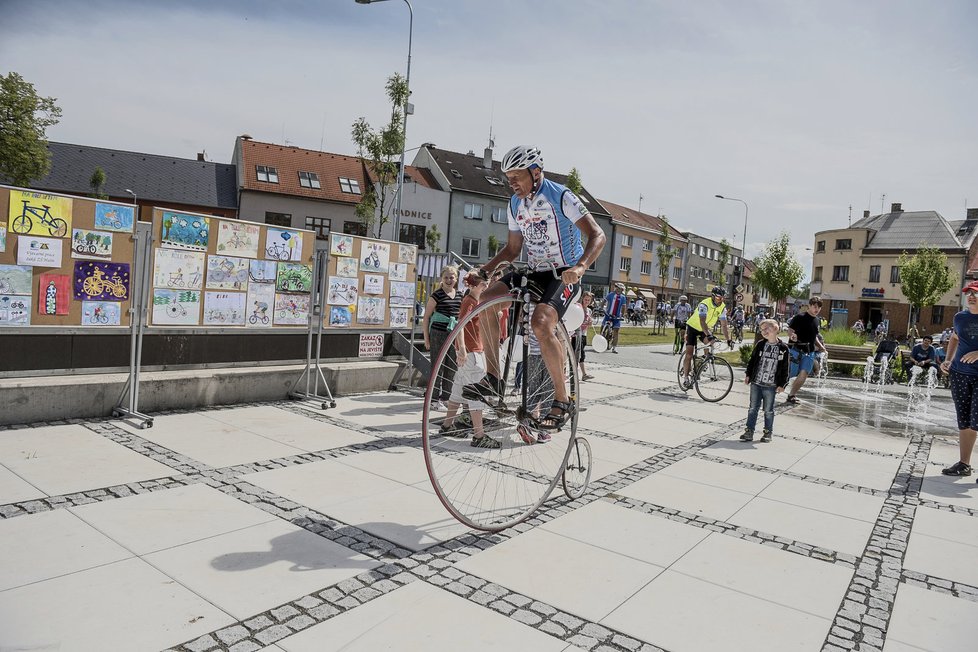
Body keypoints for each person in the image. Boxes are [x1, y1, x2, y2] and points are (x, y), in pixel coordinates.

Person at [463, 145, 606, 431]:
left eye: (517, 177)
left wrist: (580, 267)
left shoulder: (561, 196)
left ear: (535, 172)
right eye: (508, 178)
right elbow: (513, 249)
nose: (512, 183)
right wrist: (485, 270)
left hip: (562, 275)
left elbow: (597, 235)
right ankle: (493, 376)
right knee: (485, 302)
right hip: (534, 271)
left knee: (541, 323)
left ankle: (562, 399)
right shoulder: (515, 204)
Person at [440, 274, 500, 448]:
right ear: (474, 286)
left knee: (458, 388)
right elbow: (460, 325)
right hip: (471, 352)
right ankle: (479, 435)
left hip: (473, 350)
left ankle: (447, 425)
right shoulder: (469, 301)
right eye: (483, 285)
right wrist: (462, 348)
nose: (486, 288)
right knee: (476, 393)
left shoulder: (475, 300)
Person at [940, 281, 978, 478]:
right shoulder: (960, 318)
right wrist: (948, 360)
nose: (971, 296)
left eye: (975, 293)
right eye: (969, 293)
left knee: (977, 420)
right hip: (960, 374)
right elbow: (955, 338)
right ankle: (964, 464)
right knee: (964, 420)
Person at [740, 319, 790, 442]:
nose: (763, 331)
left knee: (768, 410)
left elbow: (785, 368)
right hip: (756, 383)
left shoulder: (783, 348)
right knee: (753, 408)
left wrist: (783, 384)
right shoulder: (761, 344)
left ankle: (768, 432)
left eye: (766, 328)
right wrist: (748, 374)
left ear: (775, 329)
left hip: (771, 386)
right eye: (761, 329)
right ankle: (749, 431)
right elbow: (752, 361)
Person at [423, 265, 461, 409]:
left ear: (456, 279)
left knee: (451, 366)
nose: (449, 280)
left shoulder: (459, 295)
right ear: (442, 279)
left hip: (454, 333)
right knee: (437, 366)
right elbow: (426, 317)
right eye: (446, 277)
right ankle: (432, 399)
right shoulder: (436, 295)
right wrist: (427, 338)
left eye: (452, 277)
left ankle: (445, 396)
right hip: (438, 333)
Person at [681, 286, 734, 388]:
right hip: (693, 327)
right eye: (719, 298)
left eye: (723, 298)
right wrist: (709, 335)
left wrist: (728, 340)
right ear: (713, 296)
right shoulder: (704, 304)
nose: (721, 300)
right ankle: (686, 378)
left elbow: (724, 325)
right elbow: (702, 321)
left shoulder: (722, 307)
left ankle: (702, 362)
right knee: (689, 354)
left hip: (704, 329)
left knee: (711, 343)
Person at [785, 296, 827, 403]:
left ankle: (792, 395)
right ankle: (775, 387)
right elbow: (790, 330)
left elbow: (814, 336)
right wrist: (792, 336)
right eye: (815, 307)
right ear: (809, 305)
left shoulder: (817, 320)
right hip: (796, 350)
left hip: (809, 352)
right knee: (791, 373)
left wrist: (821, 347)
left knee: (803, 374)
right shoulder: (799, 317)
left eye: (819, 308)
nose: (817, 309)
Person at [571, 292, 595, 381]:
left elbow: (588, 323)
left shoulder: (589, 310)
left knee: (581, 354)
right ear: (582, 299)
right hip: (576, 334)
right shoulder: (578, 308)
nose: (587, 301)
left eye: (589, 300)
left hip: (584, 334)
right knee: (578, 354)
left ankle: (580, 374)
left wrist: (589, 323)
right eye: (585, 299)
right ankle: (580, 374)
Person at [603, 283, 627, 353]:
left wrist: (622, 315)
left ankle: (614, 348)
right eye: (617, 288)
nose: (618, 290)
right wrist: (601, 307)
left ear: (622, 290)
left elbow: (623, 306)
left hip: (617, 316)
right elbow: (604, 301)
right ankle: (602, 341)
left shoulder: (623, 297)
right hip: (608, 314)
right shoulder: (611, 294)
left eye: (620, 289)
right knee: (603, 327)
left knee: (616, 332)